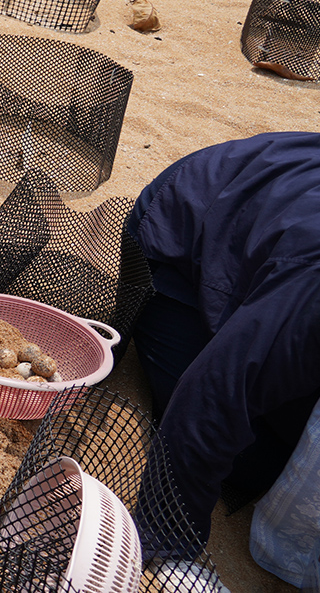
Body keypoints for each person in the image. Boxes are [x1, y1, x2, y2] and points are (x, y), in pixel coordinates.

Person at [121, 132, 320, 572]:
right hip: (183, 232)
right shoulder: (311, 294)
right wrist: (168, 532)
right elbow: (217, 391)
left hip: (278, 211)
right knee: (259, 467)